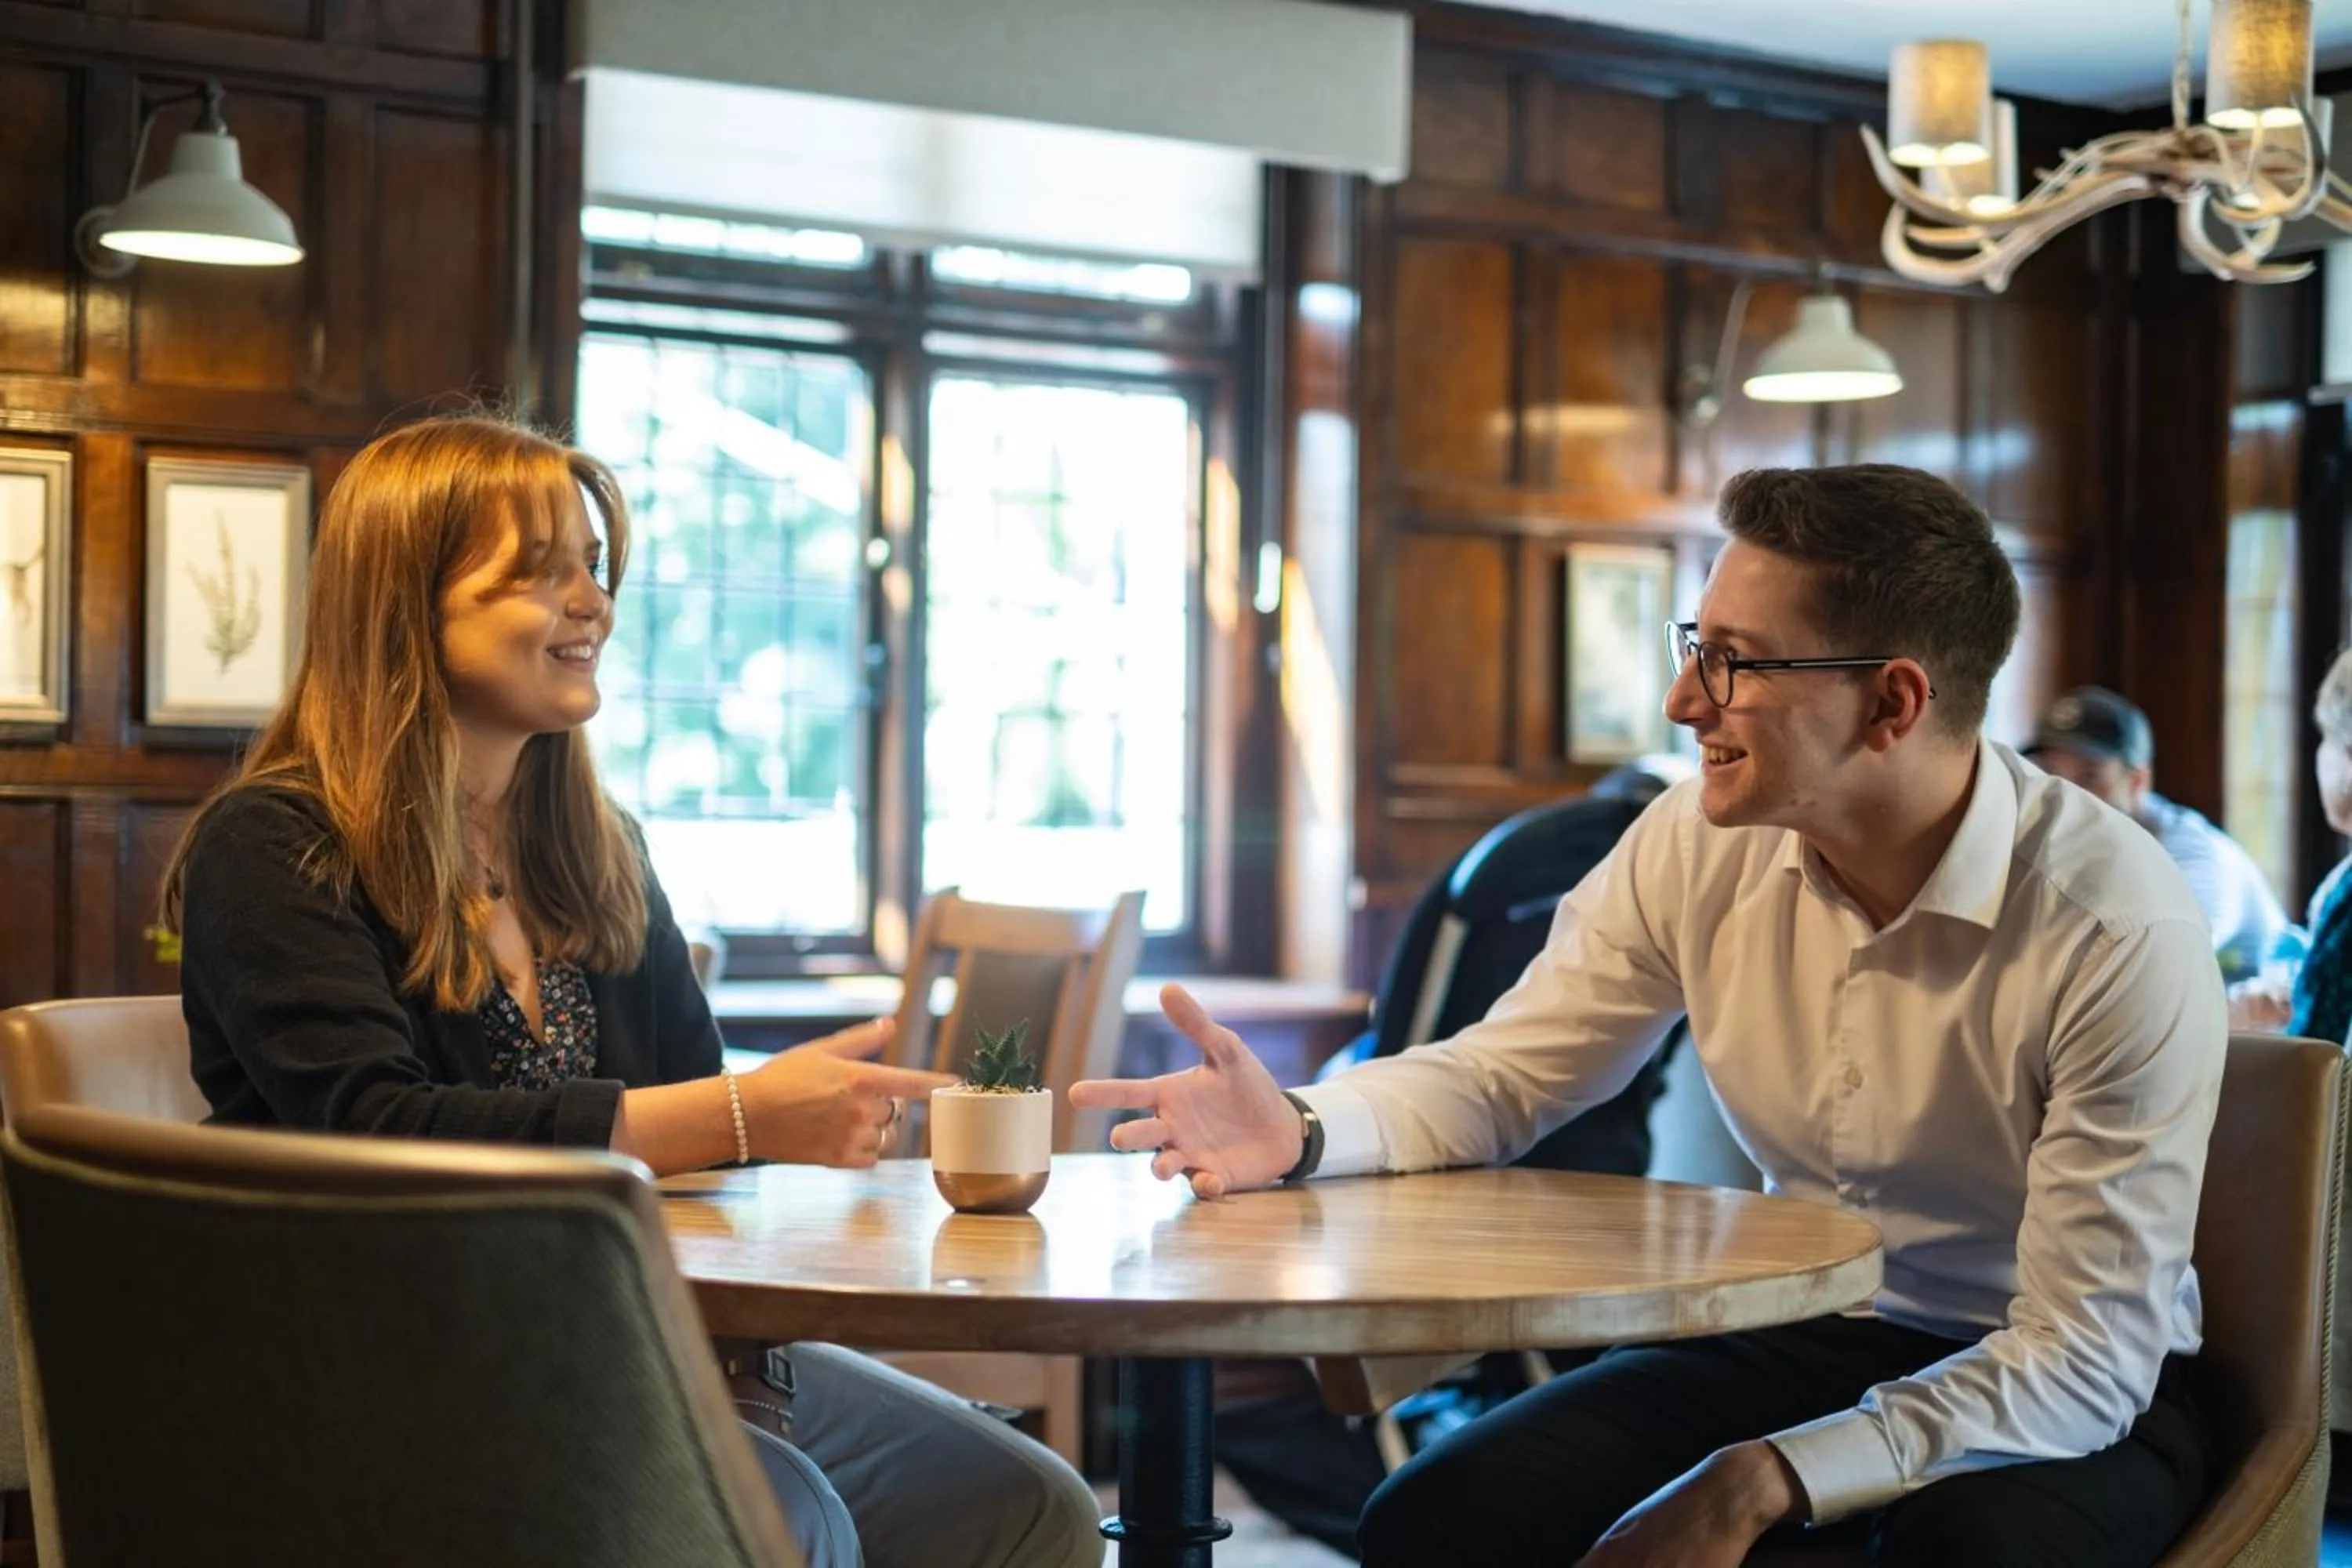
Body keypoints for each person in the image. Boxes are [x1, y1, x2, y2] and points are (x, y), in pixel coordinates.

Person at [1075, 463, 2224, 1568]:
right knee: (1439, 1516)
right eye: (1695, 647)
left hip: (2070, 1386)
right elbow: (1507, 1075)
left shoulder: (2114, 925)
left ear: (1892, 702)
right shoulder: (1696, 840)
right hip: (1812, 1331)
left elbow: (2085, 1357)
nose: (1684, 702)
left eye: (1733, 665)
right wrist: (1302, 1127)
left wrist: (1763, 1476)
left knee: (1960, 1547)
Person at [158, 414, 1102, 1568]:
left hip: (624, 1337)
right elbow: (374, 1129)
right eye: (539, 572)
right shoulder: (274, 845)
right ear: (407, 604)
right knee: (787, 1523)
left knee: (1030, 1507)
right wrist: (750, 1112)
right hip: (387, 1368)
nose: (593, 603)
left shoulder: (597, 849)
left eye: (594, 569)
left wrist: (776, 1122)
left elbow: (690, 1114)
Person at [2024, 685, 2288, 982]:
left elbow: (2167, 962)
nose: (2066, 794)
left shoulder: (2193, 854)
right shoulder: (2062, 847)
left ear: (2137, 781)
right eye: (2050, 774)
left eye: (2089, 777)